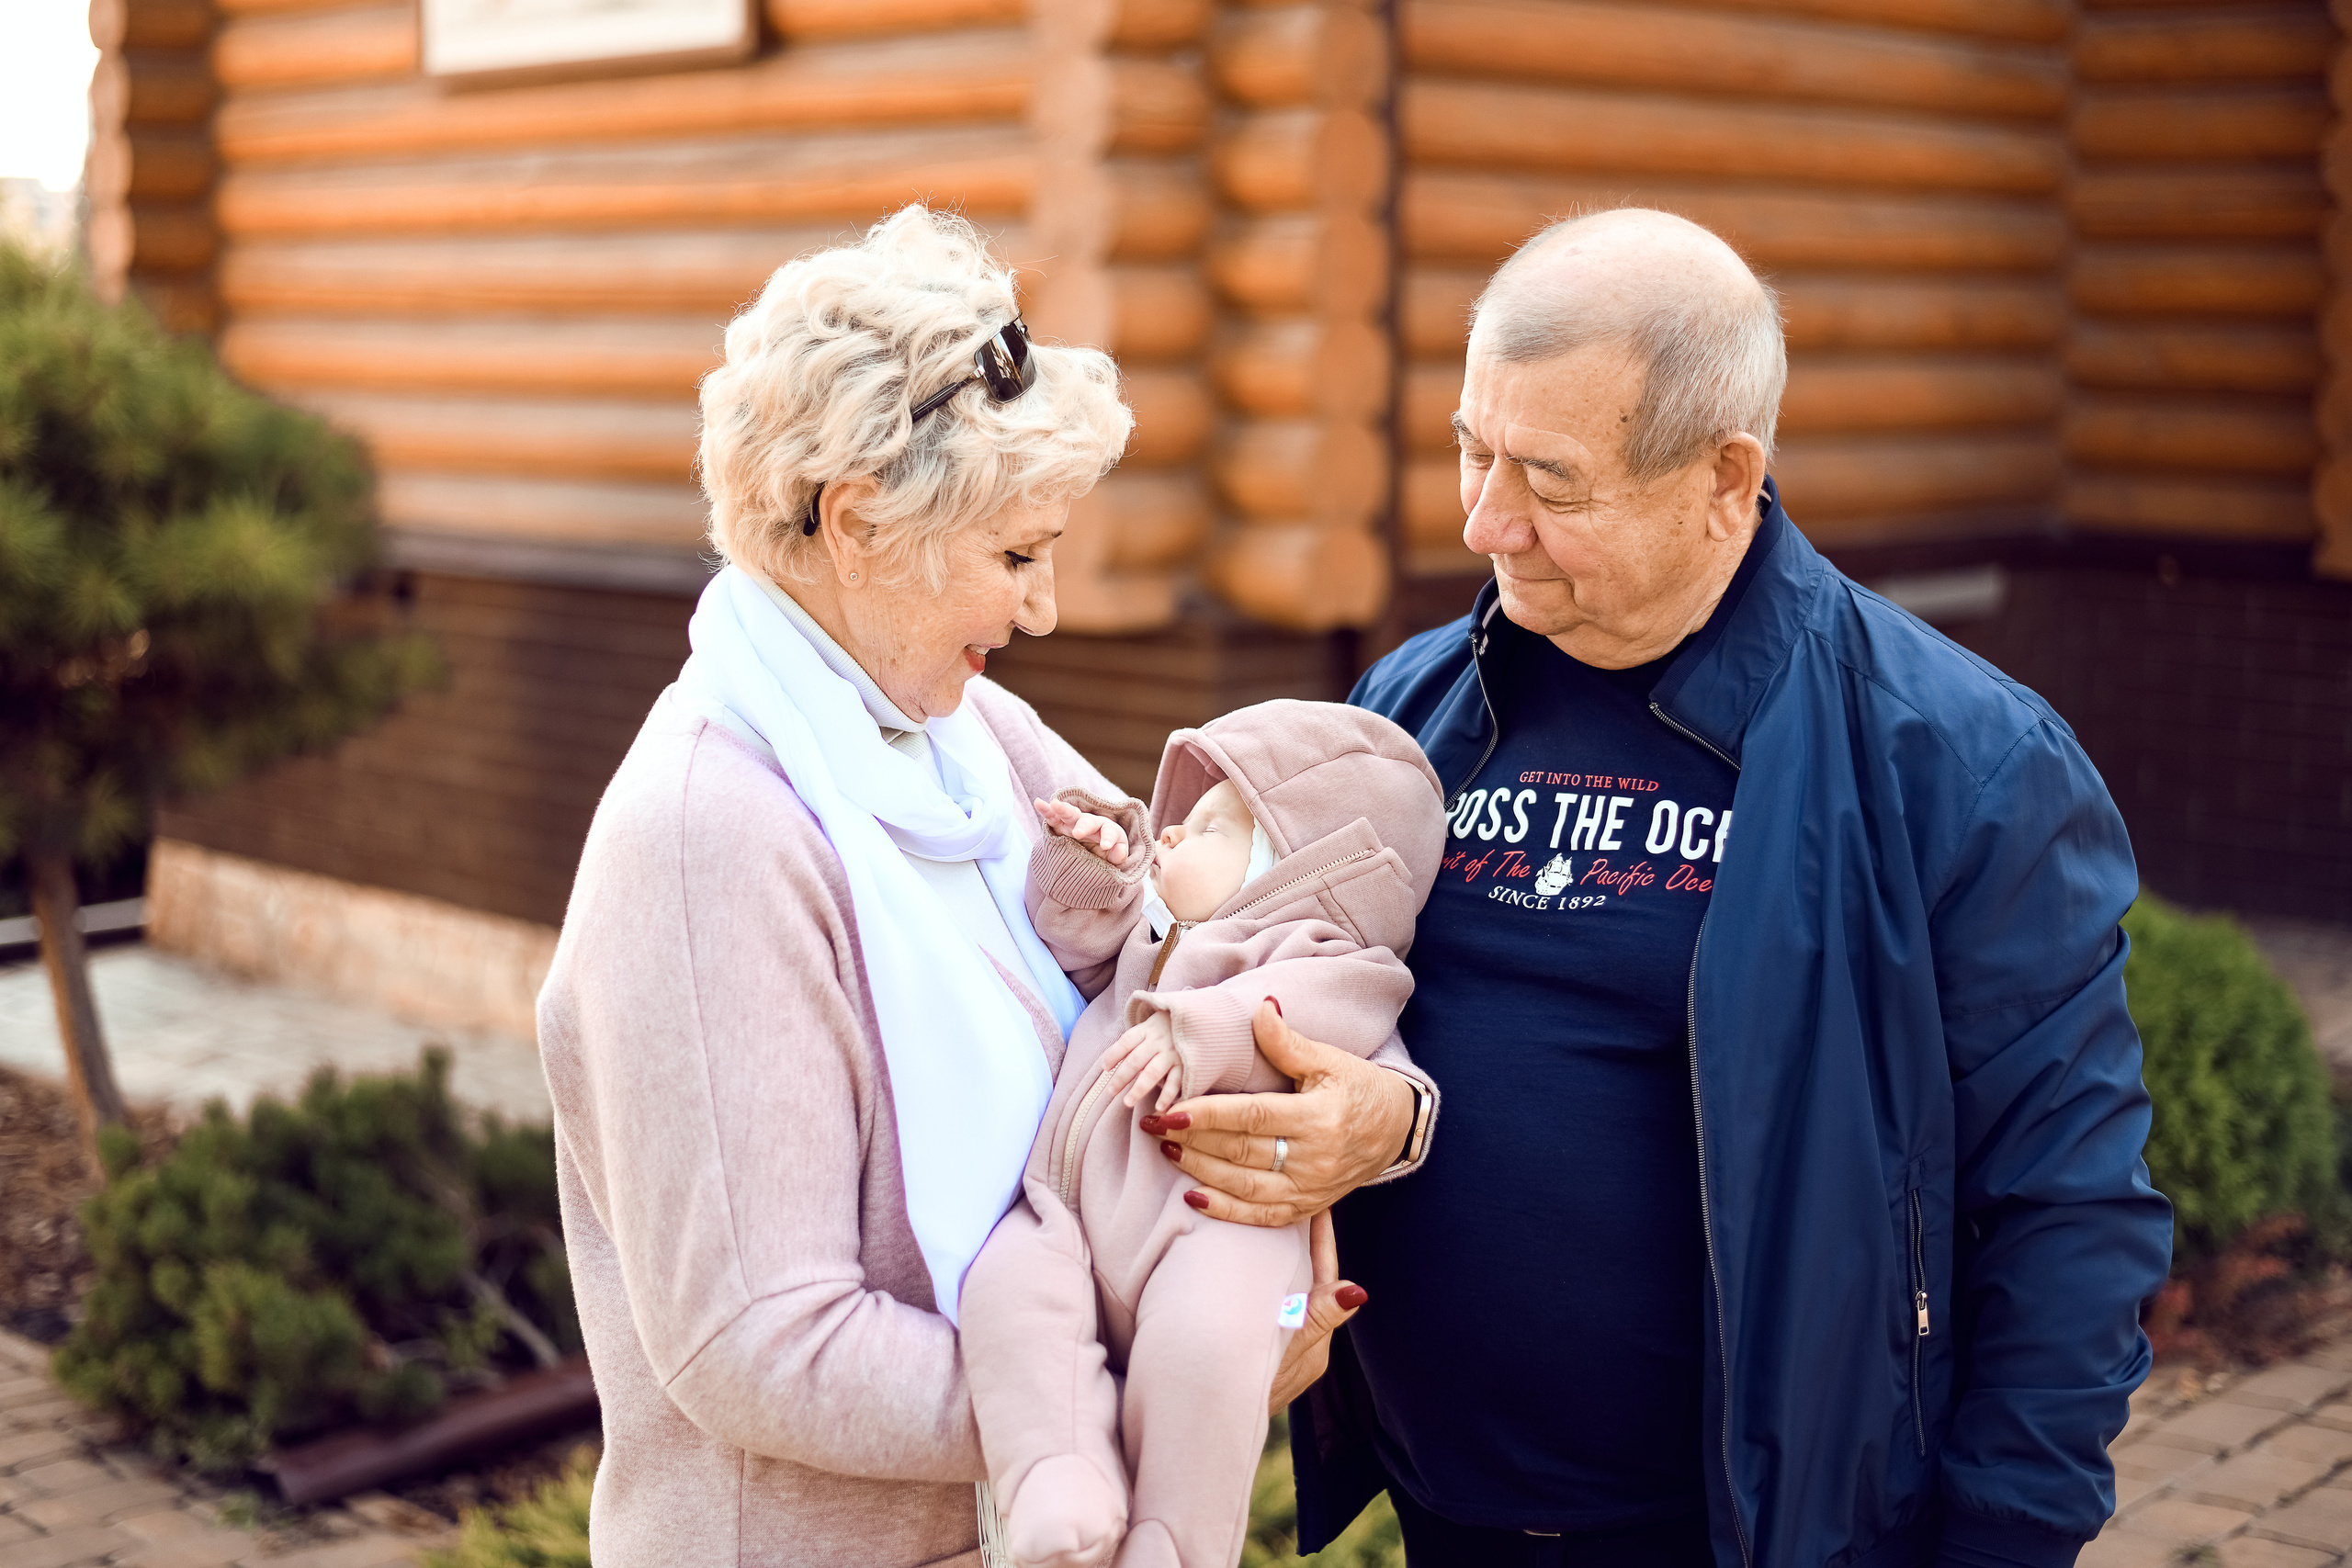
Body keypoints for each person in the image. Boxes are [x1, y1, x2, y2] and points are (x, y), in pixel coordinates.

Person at [1155, 208, 2174, 1568]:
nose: (1483, 518)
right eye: (1472, 449)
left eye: (1552, 481)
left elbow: (2069, 1209)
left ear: (1724, 477)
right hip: (1446, 1508)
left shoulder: (1962, 763)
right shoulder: (1406, 710)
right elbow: (1302, 1007)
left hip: (1751, 1534)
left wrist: (2002, 1544)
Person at [533, 205, 1428, 1566]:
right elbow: (756, 1343)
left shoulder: (966, 736)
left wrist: (1379, 1114)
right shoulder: (707, 837)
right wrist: (1163, 1384)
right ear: (855, 522)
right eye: (1014, 555)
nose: (1042, 607)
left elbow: (1203, 941)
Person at [961, 701, 1444, 1568]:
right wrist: (1089, 868)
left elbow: (1321, 1007)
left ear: (1301, 872)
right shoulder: (1153, 937)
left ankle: (1174, 1544)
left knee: (1210, 1357)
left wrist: (1202, 1029)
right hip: (1065, 1216)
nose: (1174, 832)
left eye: (1214, 827)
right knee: (1005, 1292)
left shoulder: (1328, 955)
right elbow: (1070, 942)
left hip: (1222, 1237)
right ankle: (1059, 1475)